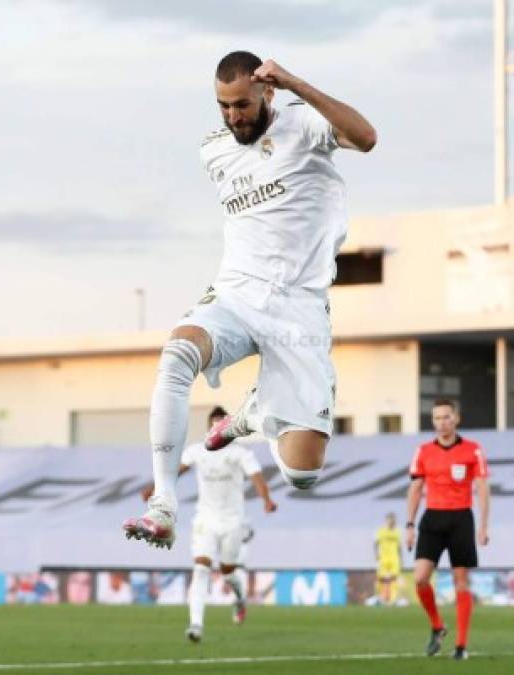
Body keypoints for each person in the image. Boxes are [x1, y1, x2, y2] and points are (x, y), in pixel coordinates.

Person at [124, 50, 376, 549]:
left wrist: (295, 82)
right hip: (237, 294)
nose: (234, 115)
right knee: (177, 354)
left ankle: (254, 416)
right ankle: (164, 504)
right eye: (223, 106)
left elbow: (367, 138)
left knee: (302, 474)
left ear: (267, 91)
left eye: (241, 104)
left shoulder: (305, 125)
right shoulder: (213, 151)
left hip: (299, 308)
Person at [141, 406, 277, 642]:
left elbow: (256, 477)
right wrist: (155, 487)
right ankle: (195, 625)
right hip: (206, 519)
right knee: (201, 567)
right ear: (209, 428)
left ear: (229, 429)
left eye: (222, 425)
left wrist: (266, 499)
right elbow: (176, 471)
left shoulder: (241, 453)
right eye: (214, 424)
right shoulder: (197, 451)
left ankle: (240, 598)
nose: (218, 428)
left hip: (233, 520)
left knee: (227, 572)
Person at [406, 399, 490, 661]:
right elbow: (416, 488)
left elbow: (483, 488)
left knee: (460, 582)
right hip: (432, 519)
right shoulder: (423, 451)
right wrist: (409, 524)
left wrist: (483, 525)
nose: (441, 423)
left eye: (446, 417)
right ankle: (437, 626)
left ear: (456, 419)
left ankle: (461, 647)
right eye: (437, 418)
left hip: (461, 519)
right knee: (420, 578)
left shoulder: (473, 450)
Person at [374, 512, 401, 605]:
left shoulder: (397, 532)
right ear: (386, 521)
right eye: (390, 519)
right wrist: (376, 555)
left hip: (394, 558)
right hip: (383, 558)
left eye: (393, 520)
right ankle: (381, 598)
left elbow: (399, 547)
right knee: (382, 578)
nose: (392, 522)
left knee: (393, 578)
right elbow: (376, 543)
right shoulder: (381, 531)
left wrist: (400, 559)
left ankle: (393, 599)